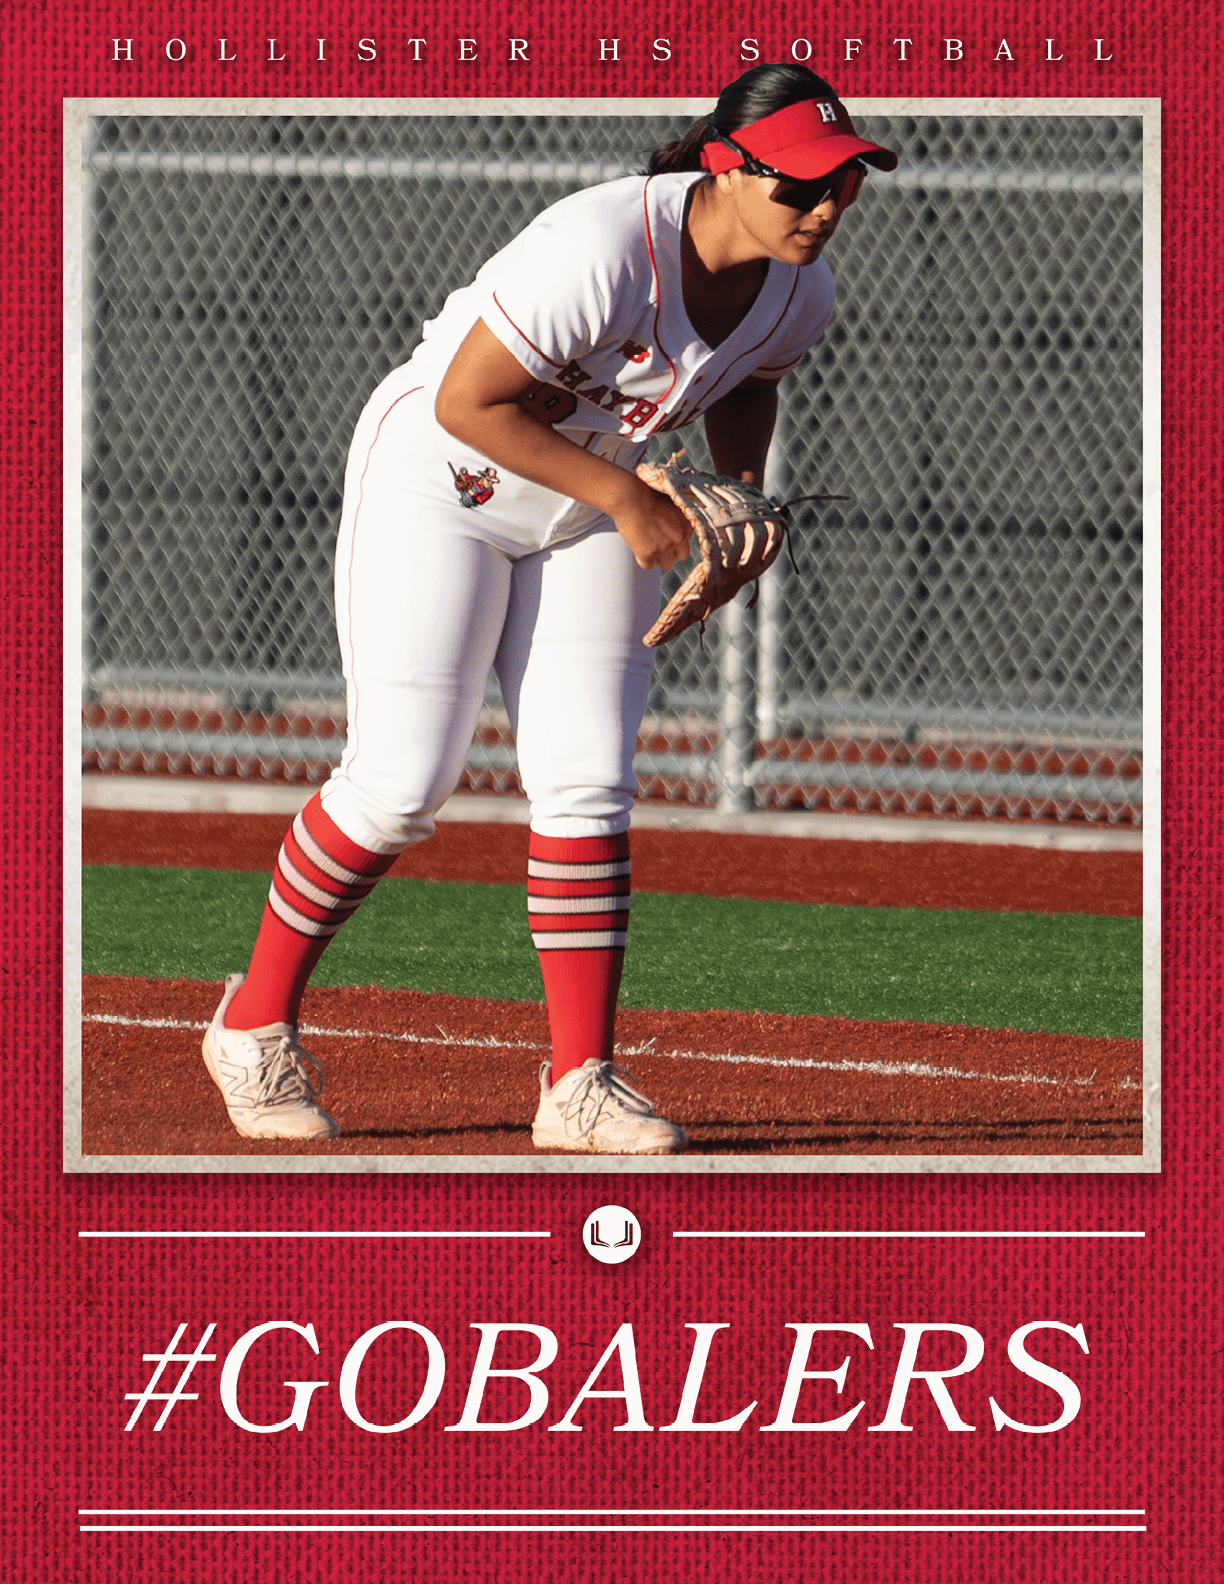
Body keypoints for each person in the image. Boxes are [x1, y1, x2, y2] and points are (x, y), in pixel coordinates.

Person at [200, 63, 899, 1154]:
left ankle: (579, 1084)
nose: (824, 208)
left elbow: (753, 374)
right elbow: (464, 401)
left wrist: (736, 493)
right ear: (724, 165)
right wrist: (627, 494)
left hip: (587, 503)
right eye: (799, 184)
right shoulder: (602, 245)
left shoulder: (803, 285)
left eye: (843, 183)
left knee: (588, 776)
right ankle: (251, 1024)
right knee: (400, 782)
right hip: (444, 478)